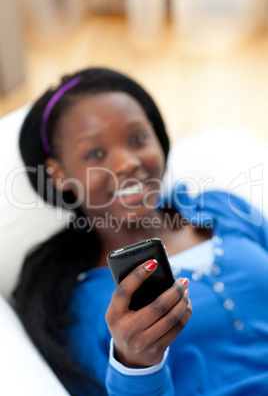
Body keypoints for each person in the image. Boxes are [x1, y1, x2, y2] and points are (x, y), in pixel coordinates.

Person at [13, 67, 268, 396]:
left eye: (137, 139)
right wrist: (136, 364)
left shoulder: (222, 208)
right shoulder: (72, 307)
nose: (126, 163)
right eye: (94, 154)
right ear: (58, 174)